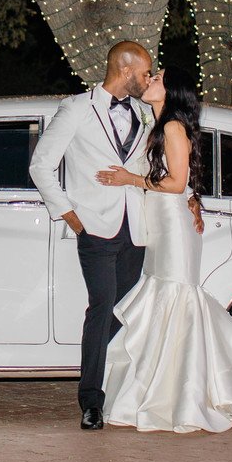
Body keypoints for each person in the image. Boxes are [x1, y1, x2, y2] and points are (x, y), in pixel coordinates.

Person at [94, 66, 232, 433]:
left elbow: (175, 183)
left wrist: (130, 180)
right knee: (163, 294)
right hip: (164, 218)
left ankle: (185, 394)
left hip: (172, 221)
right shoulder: (158, 125)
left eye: (158, 78)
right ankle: (164, 388)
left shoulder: (171, 127)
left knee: (176, 294)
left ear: (171, 92)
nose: (151, 80)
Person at [28, 40, 154, 431]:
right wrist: (72, 216)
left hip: (136, 227)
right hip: (95, 227)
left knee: (125, 310)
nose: (149, 79)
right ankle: (91, 400)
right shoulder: (77, 109)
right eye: (145, 72)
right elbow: (41, 166)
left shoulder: (145, 112)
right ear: (125, 70)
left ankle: (118, 389)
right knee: (101, 307)